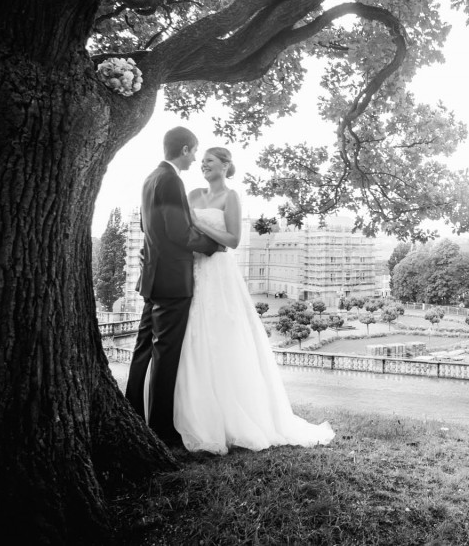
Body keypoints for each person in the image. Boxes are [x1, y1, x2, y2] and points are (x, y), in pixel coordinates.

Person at [174, 146, 334, 454]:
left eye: (209, 160)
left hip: (219, 271)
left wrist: (198, 221)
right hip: (191, 266)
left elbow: (232, 240)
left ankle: (229, 416)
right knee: (193, 337)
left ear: (225, 165)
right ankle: (194, 410)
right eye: (202, 161)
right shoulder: (193, 193)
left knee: (222, 337)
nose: (203, 165)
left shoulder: (231, 197)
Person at [126, 127, 222, 447]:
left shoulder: (150, 179)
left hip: (152, 277)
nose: (196, 158)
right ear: (183, 149)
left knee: (142, 352)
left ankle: (132, 418)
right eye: (194, 151)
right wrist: (211, 245)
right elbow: (179, 231)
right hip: (172, 281)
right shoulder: (171, 180)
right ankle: (161, 431)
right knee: (165, 355)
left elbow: (146, 225)